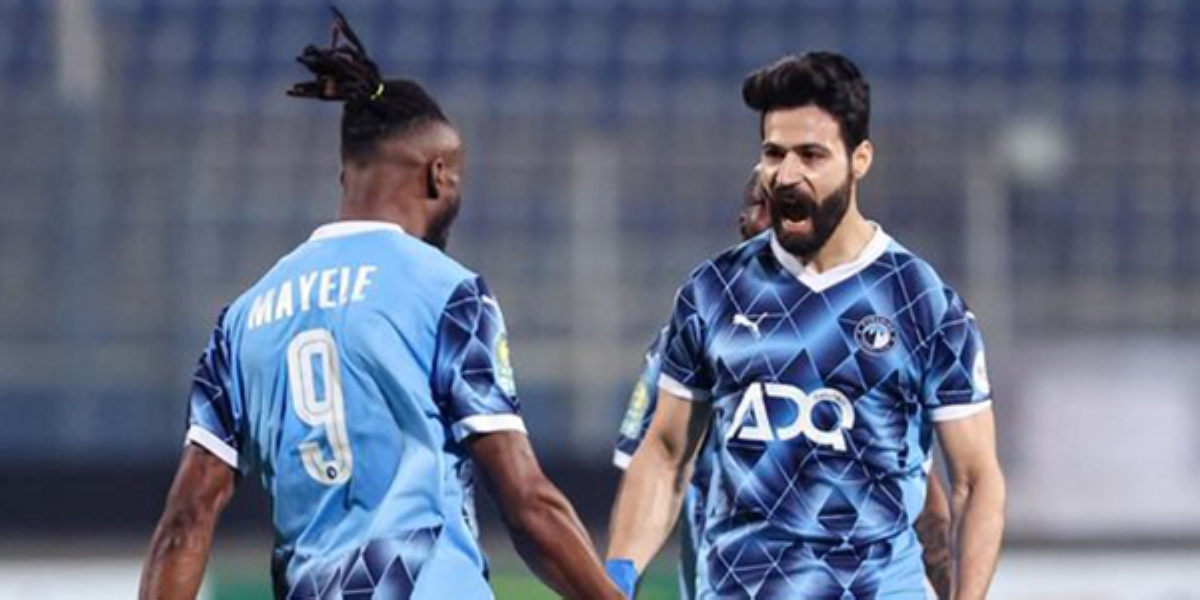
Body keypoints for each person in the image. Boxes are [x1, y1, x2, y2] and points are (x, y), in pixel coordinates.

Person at [139, 10, 620, 600]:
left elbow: (185, 521)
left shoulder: (241, 321)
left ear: (346, 177)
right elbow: (528, 504)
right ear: (438, 176)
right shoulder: (448, 293)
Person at [606, 52, 1005, 599]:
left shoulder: (922, 302)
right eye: (774, 153)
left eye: (811, 155)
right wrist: (616, 579)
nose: (786, 176)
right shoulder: (712, 292)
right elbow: (666, 455)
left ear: (860, 159)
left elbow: (975, 481)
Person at [611, 169, 956, 599]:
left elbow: (925, 503)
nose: (778, 217)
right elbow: (652, 474)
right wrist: (618, 579)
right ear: (743, 223)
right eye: (763, 205)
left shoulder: (874, 337)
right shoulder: (691, 335)